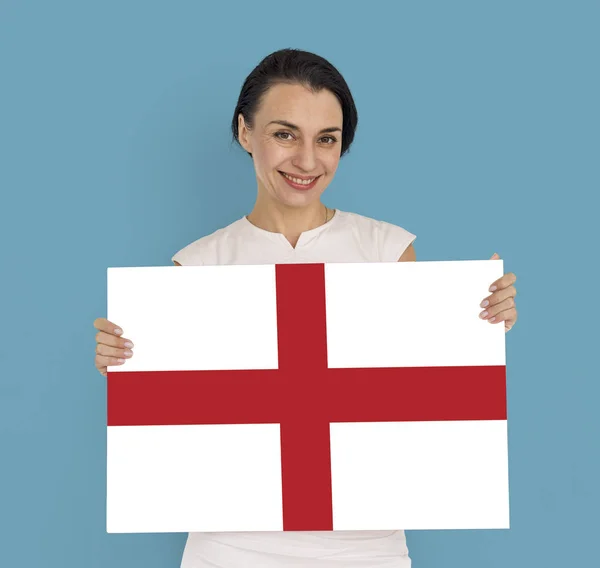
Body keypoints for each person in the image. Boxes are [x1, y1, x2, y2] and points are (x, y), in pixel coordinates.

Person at [93, 48, 519, 568]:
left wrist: (477, 321)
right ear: (246, 133)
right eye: (284, 134)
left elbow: (420, 394)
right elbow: (186, 422)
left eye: (327, 139)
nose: (308, 161)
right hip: (229, 549)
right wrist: (127, 362)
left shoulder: (386, 250)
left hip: (368, 549)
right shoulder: (199, 265)